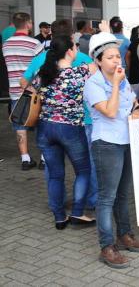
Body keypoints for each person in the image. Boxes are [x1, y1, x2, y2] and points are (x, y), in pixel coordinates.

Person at [22, 19, 100, 207]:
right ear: (72, 36)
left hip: (48, 123)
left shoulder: (42, 59)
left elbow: (24, 82)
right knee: (87, 166)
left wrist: (41, 97)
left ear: (52, 35)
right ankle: (89, 202)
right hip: (83, 120)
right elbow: (98, 78)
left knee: (54, 170)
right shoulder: (82, 59)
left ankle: (57, 205)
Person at [84, 32, 139, 269]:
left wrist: (137, 113)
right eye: (110, 58)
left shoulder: (123, 79)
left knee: (123, 192)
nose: (117, 61)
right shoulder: (93, 84)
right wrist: (117, 84)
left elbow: (134, 103)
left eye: (117, 56)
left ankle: (125, 235)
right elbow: (109, 111)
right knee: (107, 196)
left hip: (126, 139)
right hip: (106, 143)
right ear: (98, 61)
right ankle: (106, 246)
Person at [36, 35, 95, 230]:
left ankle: (59, 217)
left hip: (45, 128)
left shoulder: (43, 73)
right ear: (70, 51)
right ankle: (77, 213)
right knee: (83, 171)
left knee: (55, 175)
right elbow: (97, 65)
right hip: (70, 129)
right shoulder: (79, 73)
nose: (77, 49)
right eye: (75, 46)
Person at [3, 12, 44, 169]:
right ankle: (43, 159)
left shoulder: (6, 45)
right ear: (28, 24)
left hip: (15, 91)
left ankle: (25, 159)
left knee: (20, 125)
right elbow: (41, 69)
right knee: (40, 124)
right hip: (34, 92)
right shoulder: (35, 44)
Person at [125, 26, 139, 102]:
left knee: (133, 99)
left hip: (134, 75)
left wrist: (130, 67)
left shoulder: (133, 42)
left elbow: (127, 56)